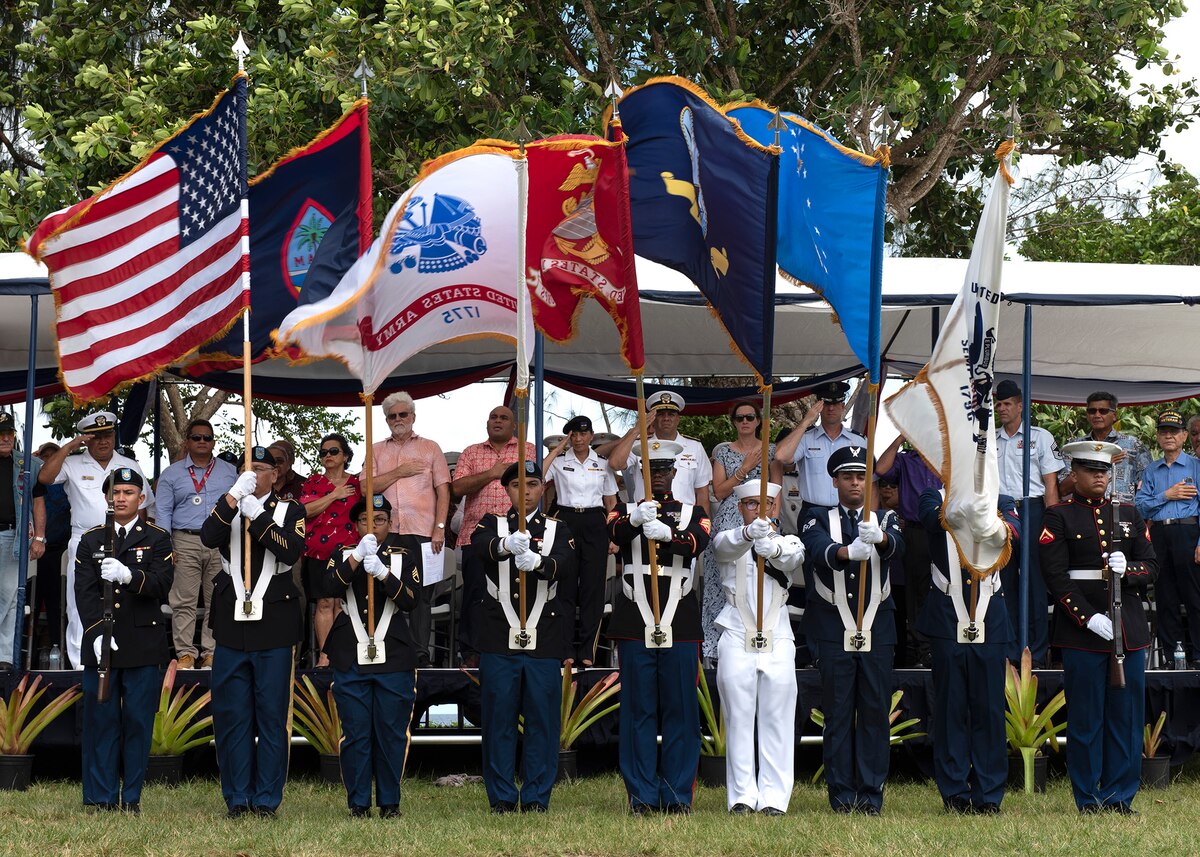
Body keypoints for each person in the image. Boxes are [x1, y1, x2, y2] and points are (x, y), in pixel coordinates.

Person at [1042, 441, 1157, 814]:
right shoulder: (1059, 516)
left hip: (1129, 631)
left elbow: (1152, 567)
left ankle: (1120, 795)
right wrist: (1087, 617)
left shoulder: (1129, 513)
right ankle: (1088, 797)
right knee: (1086, 719)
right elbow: (1056, 577)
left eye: (1104, 471)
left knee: (1125, 717)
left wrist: (1132, 569)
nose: (1099, 477)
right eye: (1091, 471)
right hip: (1082, 633)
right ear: (1073, 475)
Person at [607, 441, 711, 815]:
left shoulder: (692, 511)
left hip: (679, 620)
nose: (660, 477)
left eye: (666, 471)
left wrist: (667, 533)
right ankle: (642, 795)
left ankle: (678, 794)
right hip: (636, 617)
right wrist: (634, 521)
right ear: (640, 475)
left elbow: (698, 542)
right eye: (653, 471)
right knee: (638, 710)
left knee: (681, 710)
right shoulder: (624, 510)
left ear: (675, 474)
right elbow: (615, 534)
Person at [201, 446, 305, 818]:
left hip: (274, 625)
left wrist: (259, 516)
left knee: (272, 717)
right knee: (232, 717)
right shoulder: (226, 504)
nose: (254, 474)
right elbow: (207, 535)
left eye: (260, 469)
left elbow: (291, 552)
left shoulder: (290, 510)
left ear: (275, 475)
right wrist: (233, 497)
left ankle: (265, 800)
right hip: (231, 625)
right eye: (247, 468)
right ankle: (237, 798)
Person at [799, 445, 903, 815]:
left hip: (877, 626)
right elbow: (815, 548)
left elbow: (898, 547)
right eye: (847, 476)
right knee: (839, 712)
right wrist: (846, 553)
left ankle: (871, 794)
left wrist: (882, 539)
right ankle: (842, 794)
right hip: (832, 627)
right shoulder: (816, 516)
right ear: (835, 481)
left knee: (874, 711)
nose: (855, 482)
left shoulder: (885, 518)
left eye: (861, 476)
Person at [472, 461, 576, 813]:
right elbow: (480, 547)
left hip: (544, 638)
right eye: (517, 485)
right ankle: (501, 797)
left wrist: (540, 563)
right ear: (507, 491)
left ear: (543, 488)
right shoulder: (491, 523)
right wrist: (505, 544)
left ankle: (535, 797)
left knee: (542, 724)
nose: (525, 491)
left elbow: (569, 563)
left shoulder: (558, 528)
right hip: (498, 637)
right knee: (498, 722)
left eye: (532, 484)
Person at [316, 493, 421, 818]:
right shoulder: (343, 552)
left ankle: (390, 803)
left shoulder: (406, 554)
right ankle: (358, 803)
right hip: (350, 653)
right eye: (365, 520)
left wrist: (384, 574)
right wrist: (357, 559)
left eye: (379, 520)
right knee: (356, 732)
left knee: (391, 732)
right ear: (355, 524)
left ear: (390, 522)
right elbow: (330, 587)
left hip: (394, 654)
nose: (372, 526)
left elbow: (412, 601)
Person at [74, 468, 173, 812]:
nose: (120, 498)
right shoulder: (91, 540)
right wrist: (96, 632)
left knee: (137, 722)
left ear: (141, 499)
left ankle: (131, 797)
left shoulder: (158, 538)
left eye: (129, 492)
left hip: (142, 643)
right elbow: (84, 593)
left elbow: (162, 585)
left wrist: (130, 576)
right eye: (115, 493)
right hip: (102, 643)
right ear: (106, 498)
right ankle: (100, 798)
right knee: (100, 723)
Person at [917, 488, 1018, 815]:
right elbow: (933, 521)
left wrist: (986, 512)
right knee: (951, 707)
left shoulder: (1000, 500)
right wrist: (962, 506)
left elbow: (1013, 533)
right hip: (948, 614)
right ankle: (955, 791)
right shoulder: (933, 496)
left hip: (989, 614)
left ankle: (989, 794)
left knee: (988, 708)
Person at [710, 480, 804, 816]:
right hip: (737, 632)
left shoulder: (788, 539)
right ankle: (742, 797)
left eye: (766, 503)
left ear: (776, 508)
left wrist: (774, 550)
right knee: (738, 717)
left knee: (777, 718)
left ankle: (774, 799)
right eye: (751, 504)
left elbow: (793, 557)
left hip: (777, 635)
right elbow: (723, 548)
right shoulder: (728, 538)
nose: (759, 510)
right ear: (740, 508)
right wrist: (749, 535)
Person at [38, 411, 154, 668]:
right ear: (86, 439)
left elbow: (144, 507)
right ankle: (81, 665)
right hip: (84, 540)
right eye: (97, 436)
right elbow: (44, 478)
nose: (104, 441)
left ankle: (121, 659)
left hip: (124, 540)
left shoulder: (129, 465)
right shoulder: (73, 462)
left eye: (108, 435)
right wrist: (68, 447)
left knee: (124, 601)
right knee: (81, 603)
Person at [370, 392, 451, 668]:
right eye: (392, 416)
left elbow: (444, 490)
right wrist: (398, 472)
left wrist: (440, 528)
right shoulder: (376, 450)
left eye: (403, 414)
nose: (398, 419)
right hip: (387, 533)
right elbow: (364, 488)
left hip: (425, 533)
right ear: (386, 420)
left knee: (422, 597)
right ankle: (389, 651)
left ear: (413, 417)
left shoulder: (430, 447)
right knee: (386, 593)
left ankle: (420, 655)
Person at [451, 405, 536, 663]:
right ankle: (472, 654)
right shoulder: (471, 452)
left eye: (504, 418)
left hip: (518, 536)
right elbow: (457, 488)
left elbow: (541, 485)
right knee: (476, 596)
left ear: (514, 426)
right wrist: (491, 473)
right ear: (486, 423)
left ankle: (508, 648)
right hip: (476, 537)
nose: (497, 421)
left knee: (516, 593)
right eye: (493, 417)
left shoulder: (527, 449)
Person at [993, 378, 1065, 666]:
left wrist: (1053, 521)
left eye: (1007, 403)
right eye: (998, 404)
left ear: (1021, 406)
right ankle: (1010, 649)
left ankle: (1036, 650)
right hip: (1001, 511)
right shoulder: (989, 438)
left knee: (1034, 580)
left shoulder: (1040, 437)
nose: (1002, 409)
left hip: (1034, 509)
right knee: (1005, 578)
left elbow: (1051, 483)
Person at [155, 418, 237, 669]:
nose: (202, 441)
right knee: (184, 601)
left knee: (218, 600)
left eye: (207, 438)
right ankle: (185, 654)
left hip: (219, 542)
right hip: (184, 540)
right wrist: (166, 547)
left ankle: (211, 652)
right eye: (197, 437)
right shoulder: (171, 473)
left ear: (214, 442)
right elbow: (163, 512)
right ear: (187, 442)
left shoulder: (229, 472)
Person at [702, 400, 779, 662]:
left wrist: (772, 522)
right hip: (729, 519)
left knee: (759, 580)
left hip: (762, 518)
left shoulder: (771, 450)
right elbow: (719, 491)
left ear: (758, 421)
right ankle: (715, 649)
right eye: (739, 418)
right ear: (733, 422)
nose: (745, 422)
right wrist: (744, 468)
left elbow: (776, 491)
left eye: (749, 417)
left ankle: (759, 641)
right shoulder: (723, 451)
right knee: (720, 583)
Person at [542, 415, 618, 665]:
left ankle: (587, 651)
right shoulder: (560, 461)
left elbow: (610, 502)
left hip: (595, 522)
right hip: (566, 519)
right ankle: (565, 650)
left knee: (592, 588)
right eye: (573, 434)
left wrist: (613, 534)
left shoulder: (603, 463)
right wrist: (559, 448)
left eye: (583, 434)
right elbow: (537, 473)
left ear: (591, 436)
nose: (578, 438)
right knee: (564, 586)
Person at [1134, 409, 1200, 665]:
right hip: (1160, 534)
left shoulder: (1195, 466)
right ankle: (1171, 658)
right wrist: (1167, 495)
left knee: (1195, 598)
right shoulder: (1152, 471)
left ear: (1184, 436)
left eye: (1174, 431)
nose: (1169, 436)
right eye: (1164, 432)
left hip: (1188, 531)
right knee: (1166, 597)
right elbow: (1140, 507)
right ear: (1158, 437)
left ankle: (1197, 657)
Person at [877, 434, 943, 666]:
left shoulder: (947, 457)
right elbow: (882, 469)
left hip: (945, 530)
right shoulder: (905, 460)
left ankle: (941, 645)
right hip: (915, 531)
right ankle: (923, 651)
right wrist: (898, 439)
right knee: (916, 591)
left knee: (944, 587)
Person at [300, 433, 362, 667]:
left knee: (343, 603)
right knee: (325, 603)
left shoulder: (358, 483)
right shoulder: (313, 482)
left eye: (333, 451)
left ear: (345, 455)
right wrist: (334, 495)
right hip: (318, 553)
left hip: (350, 554)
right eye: (323, 452)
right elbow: (305, 511)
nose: (327, 455)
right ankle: (325, 656)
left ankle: (342, 654)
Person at [604, 392, 713, 515]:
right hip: (644, 516)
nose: (666, 418)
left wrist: (703, 526)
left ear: (678, 419)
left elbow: (702, 492)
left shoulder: (695, 447)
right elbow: (614, 464)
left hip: (683, 519)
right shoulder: (639, 445)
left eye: (671, 414)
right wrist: (636, 431)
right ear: (653, 420)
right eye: (660, 415)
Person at [772, 382, 866, 512]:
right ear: (819, 406)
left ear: (843, 406)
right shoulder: (805, 438)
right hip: (813, 511)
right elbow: (781, 456)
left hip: (848, 512)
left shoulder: (858, 440)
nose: (831, 408)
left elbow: (871, 482)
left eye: (835, 404)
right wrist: (806, 421)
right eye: (826, 404)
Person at [0, 413, 45, 670]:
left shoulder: (26, 463)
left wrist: (39, 536)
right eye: (0, 433)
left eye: (9, 433)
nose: (5, 438)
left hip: (12, 535)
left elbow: (38, 499)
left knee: (9, 595)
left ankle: (4, 657)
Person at [1060, 392, 1151, 501]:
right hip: (1084, 513)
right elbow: (1063, 489)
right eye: (1092, 411)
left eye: (1103, 411)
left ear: (1114, 415)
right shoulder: (1074, 447)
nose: (1097, 415)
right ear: (1087, 415)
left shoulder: (1134, 445)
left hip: (1124, 513)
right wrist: (1102, 461)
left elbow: (1148, 486)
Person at [33, 442, 68, 652]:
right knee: (31, 602)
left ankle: (57, 646)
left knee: (57, 603)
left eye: (52, 456)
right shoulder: (34, 480)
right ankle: (28, 649)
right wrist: (34, 457)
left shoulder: (66, 482)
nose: (48, 459)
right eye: (44, 456)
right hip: (35, 551)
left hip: (59, 551)